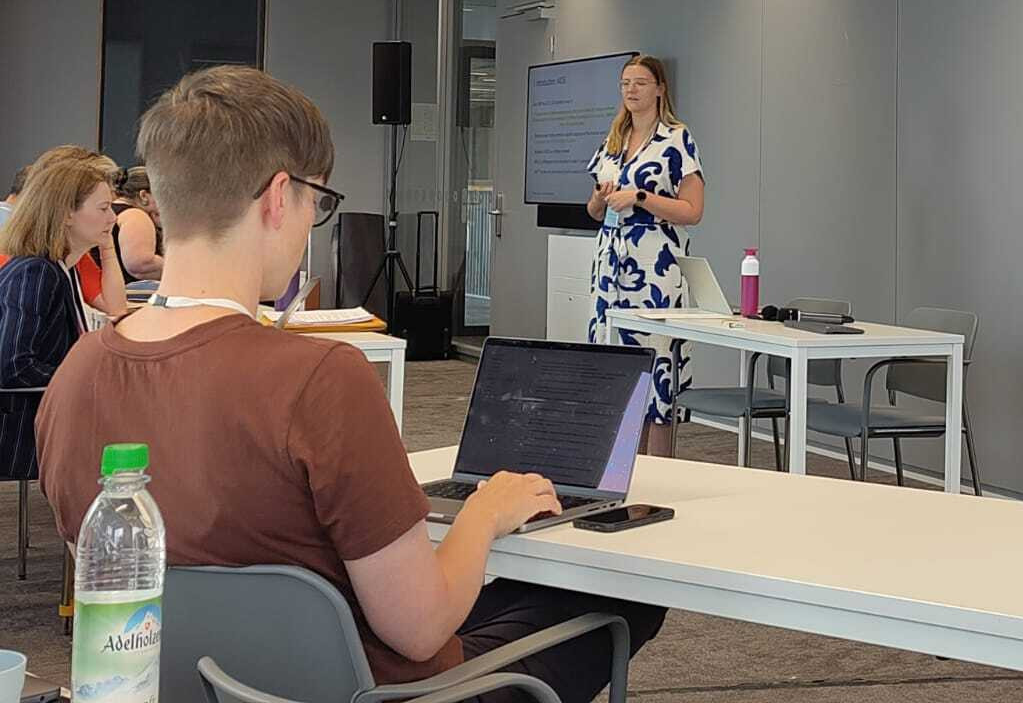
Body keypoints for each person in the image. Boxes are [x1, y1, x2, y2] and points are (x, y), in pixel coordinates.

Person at [37, 67, 663, 702]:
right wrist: (487, 511)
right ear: (279, 197)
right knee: (623, 596)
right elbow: (419, 629)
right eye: (318, 201)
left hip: (196, 687)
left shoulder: (75, 376)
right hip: (389, 690)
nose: (314, 222)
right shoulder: (320, 379)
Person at [584, 55, 705, 457]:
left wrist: (641, 197)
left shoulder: (677, 138)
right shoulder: (613, 140)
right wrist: (601, 200)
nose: (631, 90)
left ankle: (661, 470)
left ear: (659, 88)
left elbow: (693, 211)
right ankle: (618, 468)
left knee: (656, 371)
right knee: (612, 364)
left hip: (655, 266)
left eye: (639, 82)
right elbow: (593, 211)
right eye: (625, 83)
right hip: (610, 267)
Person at [0, 151, 118, 479]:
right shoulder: (38, 272)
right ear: (66, 213)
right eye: (104, 209)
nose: (113, 218)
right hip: (20, 453)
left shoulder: (59, 269)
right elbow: (13, 366)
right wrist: (88, 382)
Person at [0, 148, 127, 322]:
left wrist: (106, 242)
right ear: (65, 207)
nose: (113, 217)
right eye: (103, 207)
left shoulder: (69, 256)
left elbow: (116, 309)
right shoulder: (34, 272)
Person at [110, 165, 164, 280]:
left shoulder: (112, 210)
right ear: (144, 195)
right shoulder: (136, 215)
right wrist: (180, 269)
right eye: (162, 194)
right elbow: (141, 264)